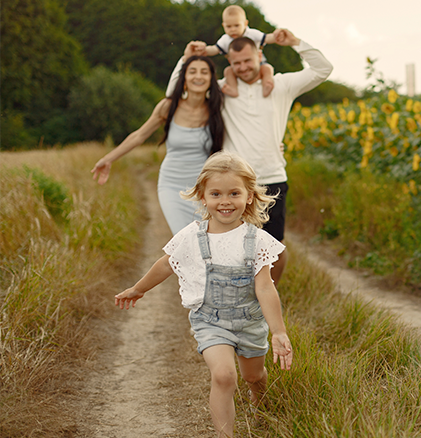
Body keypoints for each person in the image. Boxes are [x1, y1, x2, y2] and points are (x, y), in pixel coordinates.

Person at [114, 151, 293, 438]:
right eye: (216, 193)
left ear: (249, 196)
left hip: (249, 321)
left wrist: (278, 331)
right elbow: (166, 264)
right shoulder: (191, 236)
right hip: (210, 321)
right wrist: (138, 288)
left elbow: (265, 287)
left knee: (253, 376)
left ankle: (261, 403)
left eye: (234, 193)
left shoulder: (257, 240)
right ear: (203, 197)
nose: (225, 201)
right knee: (224, 376)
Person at [166, 28, 333, 285]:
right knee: (230, 250)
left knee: (274, 248)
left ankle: (263, 300)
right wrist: (185, 59)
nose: (243, 67)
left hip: (273, 177)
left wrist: (296, 43)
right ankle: (225, 302)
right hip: (233, 185)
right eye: (236, 64)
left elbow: (323, 69)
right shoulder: (222, 90)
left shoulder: (281, 85)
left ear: (259, 55)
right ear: (229, 65)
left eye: (247, 61)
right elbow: (177, 93)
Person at [92, 48, 224, 235]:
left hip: (206, 188)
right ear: (184, 78)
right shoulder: (168, 107)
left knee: (207, 241)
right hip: (172, 185)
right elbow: (139, 135)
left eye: (204, 72)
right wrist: (108, 158)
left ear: (211, 79)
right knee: (184, 239)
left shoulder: (219, 109)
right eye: (192, 71)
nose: (198, 76)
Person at [205, 4, 275, 98]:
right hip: (236, 67)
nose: (233, 30)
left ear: (245, 24)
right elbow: (215, 49)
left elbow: (266, 38)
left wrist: (276, 37)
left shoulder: (252, 33)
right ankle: (233, 89)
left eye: (237, 25)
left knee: (267, 68)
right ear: (223, 26)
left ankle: (267, 84)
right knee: (228, 71)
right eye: (228, 27)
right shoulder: (225, 39)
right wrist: (204, 50)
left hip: (259, 63)